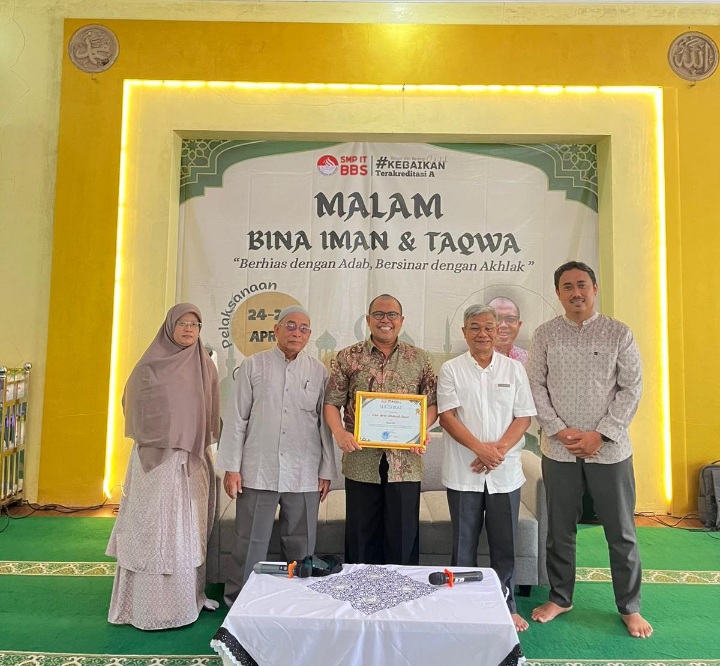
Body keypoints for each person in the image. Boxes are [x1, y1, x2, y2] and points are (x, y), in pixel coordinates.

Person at [526, 261, 652, 638]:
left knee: (621, 531)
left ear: (594, 289)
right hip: (559, 449)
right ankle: (560, 597)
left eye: (582, 285)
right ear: (558, 293)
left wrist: (601, 435)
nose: (576, 292)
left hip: (609, 451)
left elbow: (632, 388)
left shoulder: (618, 333)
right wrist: (559, 430)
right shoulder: (545, 335)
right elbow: (535, 386)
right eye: (567, 287)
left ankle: (629, 607)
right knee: (559, 530)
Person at [107, 303, 221, 630]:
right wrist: (165, 433)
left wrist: (192, 438)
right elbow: (132, 404)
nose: (188, 329)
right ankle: (149, 609)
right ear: (170, 326)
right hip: (156, 462)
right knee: (155, 530)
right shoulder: (149, 365)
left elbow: (211, 411)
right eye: (182, 323)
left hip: (192, 461)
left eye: (195, 324)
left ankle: (188, 599)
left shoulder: (205, 365)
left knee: (187, 531)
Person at [216, 305, 335, 606]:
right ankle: (239, 603)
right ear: (276, 330)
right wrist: (232, 468)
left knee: (301, 544)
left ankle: (296, 601)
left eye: (304, 328)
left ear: (309, 335)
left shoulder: (318, 371)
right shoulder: (253, 366)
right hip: (258, 469)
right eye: (290, 326)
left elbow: (324, 425)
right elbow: (236, 419)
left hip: (304, 471)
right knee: (249, 543)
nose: (297, 332)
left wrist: (326, 471)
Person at [438, 304, 536, 632]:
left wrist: (498, 451)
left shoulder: (514, 370)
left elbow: (523, 416)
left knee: (504, 545)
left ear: (498, 332)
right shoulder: (451, 369)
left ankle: (506, 606)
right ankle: (461, 606)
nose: (482, 334)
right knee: (463, 545)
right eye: (475, 328)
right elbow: (447, 417)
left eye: (488, 328)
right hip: (464, 472)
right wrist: (481, 449)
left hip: (504, 474)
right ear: (464, 332)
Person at [324, 294, 437, 566]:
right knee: (361, 538)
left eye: (392, 315)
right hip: (361, 460)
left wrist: (420, 429)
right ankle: (360, 588)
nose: (385, 320)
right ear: (368, 319)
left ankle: (401, 590)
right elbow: (331, 403)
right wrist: (340, 433)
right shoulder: (348, 357)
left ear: (401, 320)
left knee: (403, 539)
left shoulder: (419, 359)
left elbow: (432, 404)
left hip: (405, 463)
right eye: (379, 314)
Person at [488, 296, 528, 364]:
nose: (503, 325)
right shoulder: (477, 358)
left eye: (510, 319)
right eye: (497, 319)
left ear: (519, 325)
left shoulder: (529, 359)